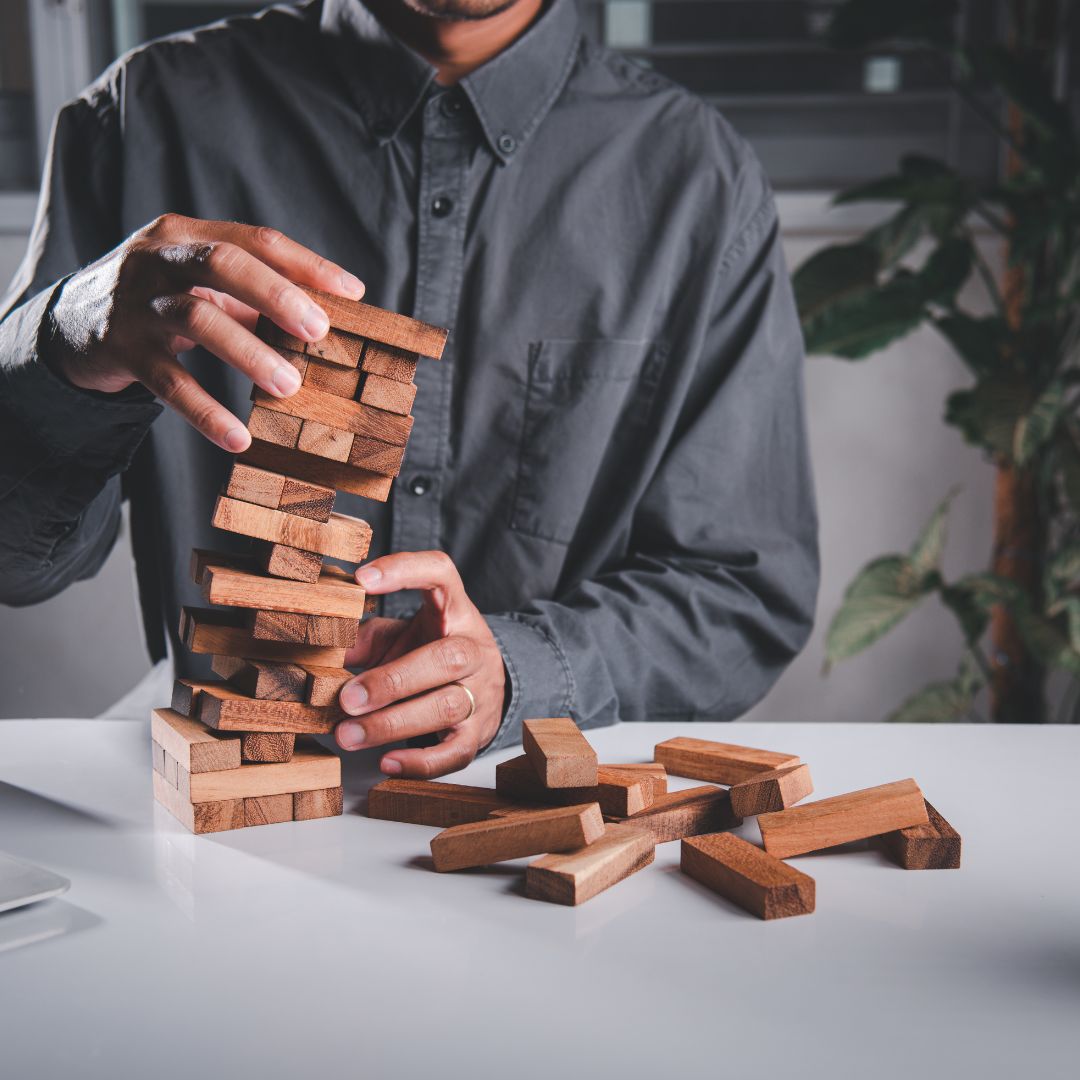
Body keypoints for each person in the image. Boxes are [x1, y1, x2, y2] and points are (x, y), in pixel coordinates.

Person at [0, 0, 819, 778]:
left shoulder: (700, 178)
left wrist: (520, 668)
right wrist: (65, 347)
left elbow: (741, 595)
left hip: (538, 812)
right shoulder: (141, 115)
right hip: (216, 798)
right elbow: (17, 569)